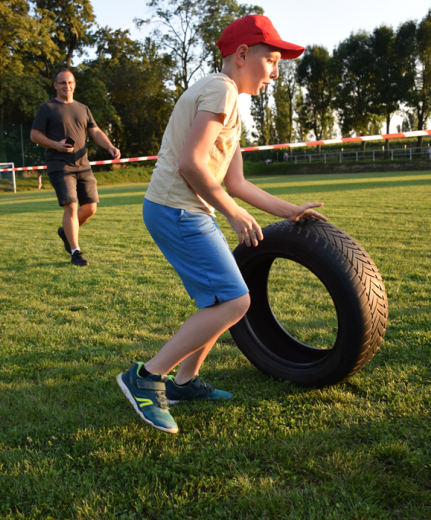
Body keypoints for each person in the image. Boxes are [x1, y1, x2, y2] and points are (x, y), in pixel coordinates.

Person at [117, 14, 327, 434]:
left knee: (220, 304)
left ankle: (185, 383)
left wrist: (288, 210)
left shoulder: (228, 100)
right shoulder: (221, 91)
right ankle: (147, 377)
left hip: (182, 209)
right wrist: (232, 212)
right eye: (272, 61)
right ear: (244, 54)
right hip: (178, 211)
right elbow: (191, 164)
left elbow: (236, 182)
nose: (274, 73)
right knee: (235, 302)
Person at [30, 69, 121, 266]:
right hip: (60, 165)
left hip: (84, 165)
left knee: (90, 208)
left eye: (69, 82)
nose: (66, 86)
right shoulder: (47, 108)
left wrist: (110, 146)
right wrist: (55, 144)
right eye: (62, 82)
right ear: (55, 85)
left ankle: (65, 231)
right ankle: (75, 252)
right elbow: (34, 135)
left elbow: (95, 131)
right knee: (71, 206)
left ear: (74, 84)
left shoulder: (83, 108)